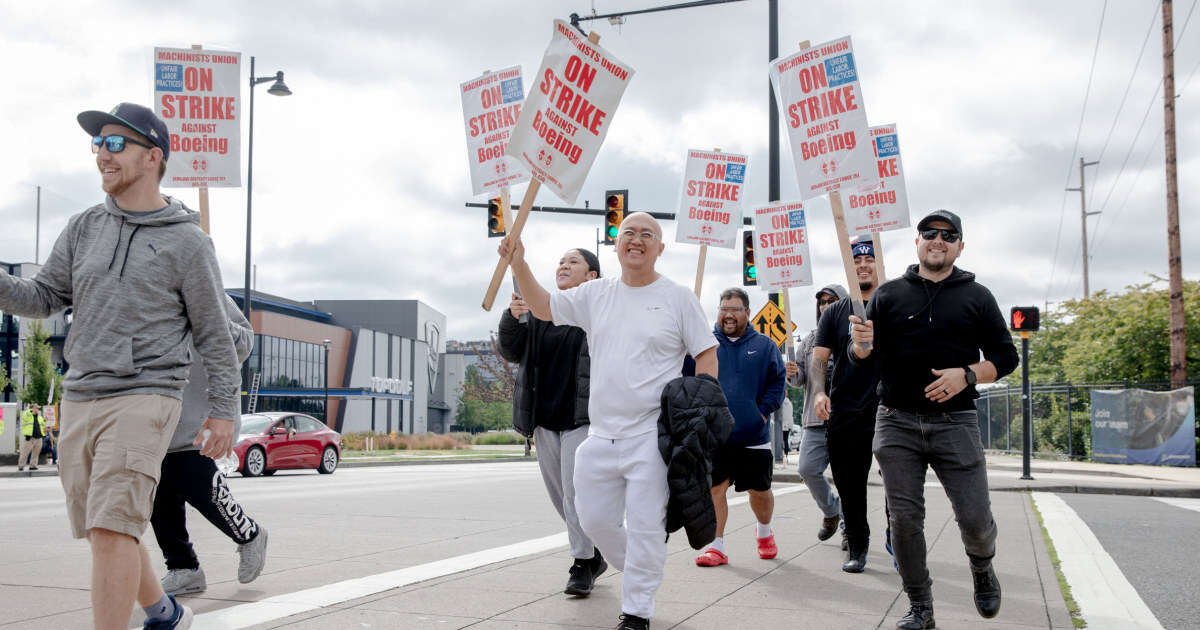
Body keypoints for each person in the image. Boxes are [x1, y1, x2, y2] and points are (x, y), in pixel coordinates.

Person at [0, 102, 241, 630]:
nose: (101, 155)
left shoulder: (189, 243)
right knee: (106, 527)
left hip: (148, 393)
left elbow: (215, 335)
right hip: (82, 391)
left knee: (112, 529)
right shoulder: (83, 226)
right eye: (97, 144)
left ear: (153, 156)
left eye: (115, 144)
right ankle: (165, 612)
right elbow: (43, 297)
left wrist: (225, 410)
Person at [499, 212, 717, 630]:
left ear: (659, 247)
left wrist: (701, 407)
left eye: (647, 235)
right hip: (600, 435)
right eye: (629, 233)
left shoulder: (678, 297)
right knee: (593, 519)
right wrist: (518, 263)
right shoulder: (596, 294)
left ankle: (637, 611)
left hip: (652, 434)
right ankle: (642, 567)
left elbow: (705, 353)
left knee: (646, 520)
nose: (636, 240)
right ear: (616, 245)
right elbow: (543, 306)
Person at [849, 210, 1018, 629]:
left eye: (948, 234)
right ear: (918, 242)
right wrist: (862, 346)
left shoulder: (977, 296)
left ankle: (982, 568)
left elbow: (1006, 357)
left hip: (956, 423)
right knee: (904, 521)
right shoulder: (888, 296)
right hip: (897, 422)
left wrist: (967, 375)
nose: (937, 240)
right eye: (929, 233)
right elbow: (862, 359)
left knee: (976, 520)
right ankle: (921, 606)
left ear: (960, 245)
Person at [496, 248, 606, 597]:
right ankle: (595, 552)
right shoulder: (540, 310)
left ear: (592, 276)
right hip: (543, 418)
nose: (563, 265)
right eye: (561, 261)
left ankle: (581, 563)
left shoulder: (597, 311)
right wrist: (512, 318)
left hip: (581, 418)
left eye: (573, 262)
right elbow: (512, 352)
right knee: (560, 496)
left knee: (576, 494)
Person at [151, 295, 268, 596]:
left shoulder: (207, 290)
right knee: (159, 497)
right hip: (158, 417)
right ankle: (183, 568)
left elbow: (244, 343)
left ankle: (249, 534)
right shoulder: (144, 290)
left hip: (200, 414)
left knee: (198, 484)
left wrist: (208, 318)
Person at [694, 288, 785, 568]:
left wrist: (761, 413)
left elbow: (777, 383)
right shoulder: (704, 343)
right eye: (723, 308)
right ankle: (716, 546)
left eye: (734, 309)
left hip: (752, 435)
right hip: (715, 435)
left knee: (759, 491)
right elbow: (689, 379)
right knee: (715, 489)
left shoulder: (765, 345)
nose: (728, 314)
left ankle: (764, 531)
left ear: (747, 312)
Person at [812, 239, 881, 573]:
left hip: (890, 407)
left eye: (870, 258)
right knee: (849, 484)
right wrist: (818, 393)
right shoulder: (836, 311)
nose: (864, 264)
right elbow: (819, 358)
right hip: (846, 410)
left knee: (900, 481)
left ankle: (900, 536)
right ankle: (857, 543)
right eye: (857, 260)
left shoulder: (895, 302)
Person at [785, 284, 846, 543]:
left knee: (847, 479)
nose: (825, 305)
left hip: (847, 419)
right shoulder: (810, 340)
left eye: (832, 300)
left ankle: (850, 531)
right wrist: (791, 374)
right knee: (808, 469)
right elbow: (799, 378)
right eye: (821, 302)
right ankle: (832, 511)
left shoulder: (851, 335)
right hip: (815, 419)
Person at [18, 403, 47, 471]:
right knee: (25, 452)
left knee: (36, 453)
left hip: (39, 437)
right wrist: (31, 410)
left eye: (37, 408)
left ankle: (33, 465)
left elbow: (42, 425)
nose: (37, 409)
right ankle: (21, 465)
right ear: (32, 408)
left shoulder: (39, 417)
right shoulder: (27, 414)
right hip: (30, 437)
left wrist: (45, 421)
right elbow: (26, 416)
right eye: (36, 408)